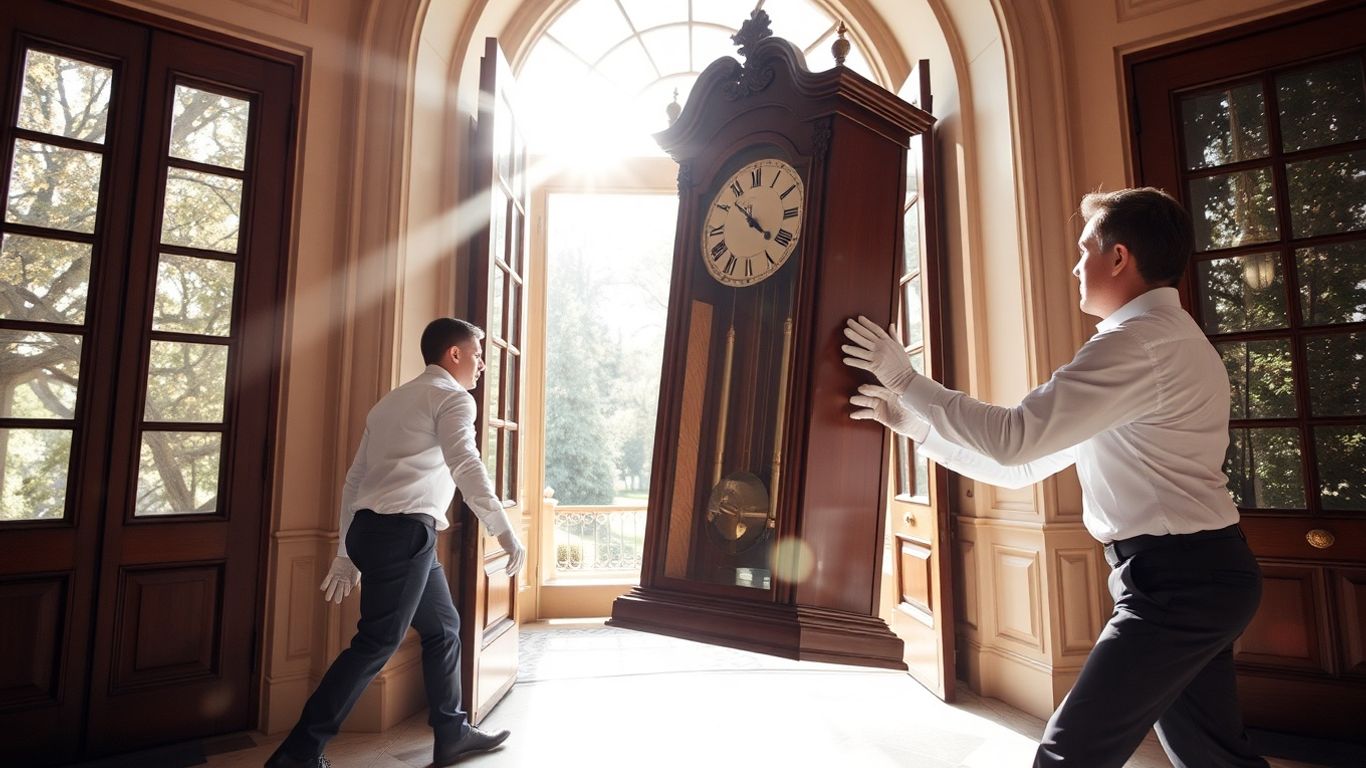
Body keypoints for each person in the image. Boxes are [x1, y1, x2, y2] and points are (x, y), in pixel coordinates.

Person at [843, 187, 1267, 768]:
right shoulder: (1160, 342)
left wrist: (906, 381)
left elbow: (1015, 435)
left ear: (1118, 258)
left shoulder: (1136, 346)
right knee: (1212, 756)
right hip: (1195, 574)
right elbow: (1021, 465)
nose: (1075, 264)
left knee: (1071, 754)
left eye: (1084, 248)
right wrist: (917, 428)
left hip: (1179, 582)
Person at [266, 318, 527, 768]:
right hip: (404, 534)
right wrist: (504, 530)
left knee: (444, 628)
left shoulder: (390, 402)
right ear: (454, 355)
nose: (482, 364)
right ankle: (299, 753)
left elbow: (355, 481)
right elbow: (466, 465)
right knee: (375, 643)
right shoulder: (453, 399)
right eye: (477, 354)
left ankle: (452, 733)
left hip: (380, 532)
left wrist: (348, 550)